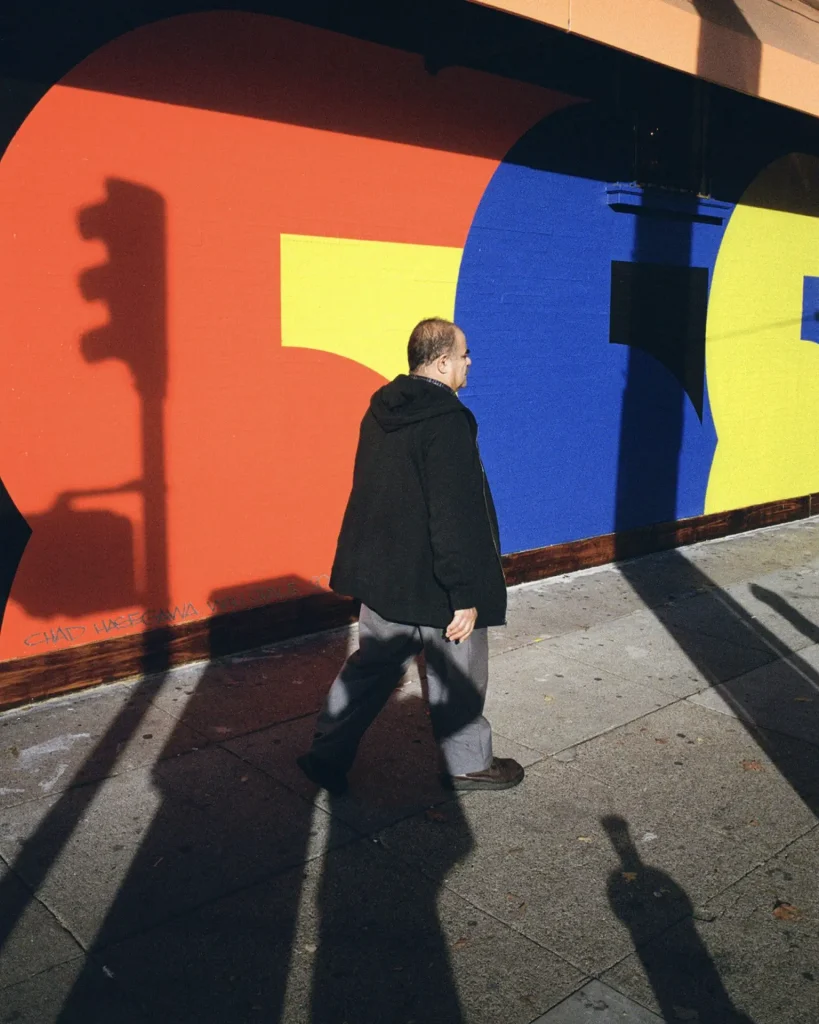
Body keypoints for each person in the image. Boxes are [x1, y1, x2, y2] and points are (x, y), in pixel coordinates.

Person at [297, 318, 523, 794]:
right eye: (463, 355)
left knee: (370, 669)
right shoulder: (446, 422)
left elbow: (372, 494)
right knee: (458, 677)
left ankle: (326, 755)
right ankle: (468, 766)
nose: (469, 362)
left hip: (385, 578)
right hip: (438, 584)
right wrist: (464, 593)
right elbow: (454, 512)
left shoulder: (381, 409)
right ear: (442, 362)